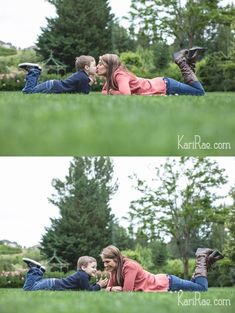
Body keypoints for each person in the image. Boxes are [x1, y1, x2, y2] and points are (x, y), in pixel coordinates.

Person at [100, 245, 224, 292]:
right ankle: (207, 262)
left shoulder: (129, 266)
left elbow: (127, 292)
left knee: (201, 289)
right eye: (103, 262)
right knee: (193, 285)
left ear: (116, 258)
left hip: (168, 283)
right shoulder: (115, 269)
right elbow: (109, 288)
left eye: (107, 262)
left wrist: (111, 289)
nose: (105, 265)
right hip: (164, 281)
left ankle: (202, 257)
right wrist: (111, 288)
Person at [96, 47, 205, 96]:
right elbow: (103, 92)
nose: (97, 66)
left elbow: (125, 95)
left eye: (100, 64)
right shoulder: (111, 77)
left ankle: (181, 61)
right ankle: (190, 62)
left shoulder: (120, 75)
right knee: (191, 91)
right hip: (162, 84)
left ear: (109, 66)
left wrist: (111, 92)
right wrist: (110, 92)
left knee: (199, 92)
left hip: (167, 86)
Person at [18, 55, 96, 94]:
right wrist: (89, 84)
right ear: (87, 67)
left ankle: (35, 71)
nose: (96, 68)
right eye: (94, 65)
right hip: (52, 87)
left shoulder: (81, 75)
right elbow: (83, 93)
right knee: (29, 92)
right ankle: (34, 70)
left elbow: (77, 92)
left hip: (52, 85)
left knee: (32, 90)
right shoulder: (84, 78)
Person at [22, 256, 108, 291]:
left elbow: (86, 287)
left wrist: (96, 284)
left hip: (52, 283)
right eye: (93, 267)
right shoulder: (83, 276)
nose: (95, 269)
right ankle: (34, 268)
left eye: (95, 267)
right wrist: (99, 286)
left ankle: (39, 271)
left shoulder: (82, 275)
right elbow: (88, 290)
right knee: (28, 289)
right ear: (83, 267)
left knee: (33, 285)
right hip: (51, 285)